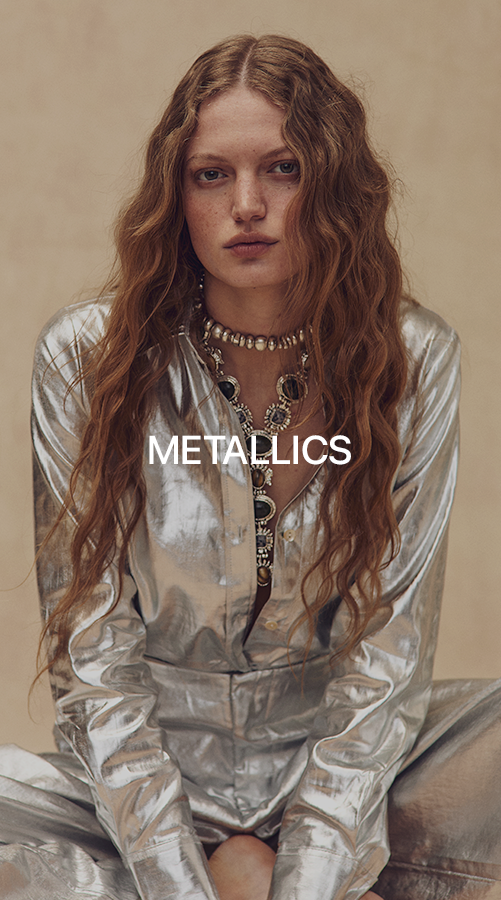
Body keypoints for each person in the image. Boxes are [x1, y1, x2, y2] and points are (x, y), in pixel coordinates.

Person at [2, 32, 483, 900]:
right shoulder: (86, 358)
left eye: (283, 169)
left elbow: (389, 656)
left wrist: (300, 875)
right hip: (143, 769)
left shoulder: (412, 358)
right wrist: (184, 881)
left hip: (337, 757)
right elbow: (94, 660)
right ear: (175, 194)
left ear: (331, 183)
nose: (247, 204)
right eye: (211, 175)